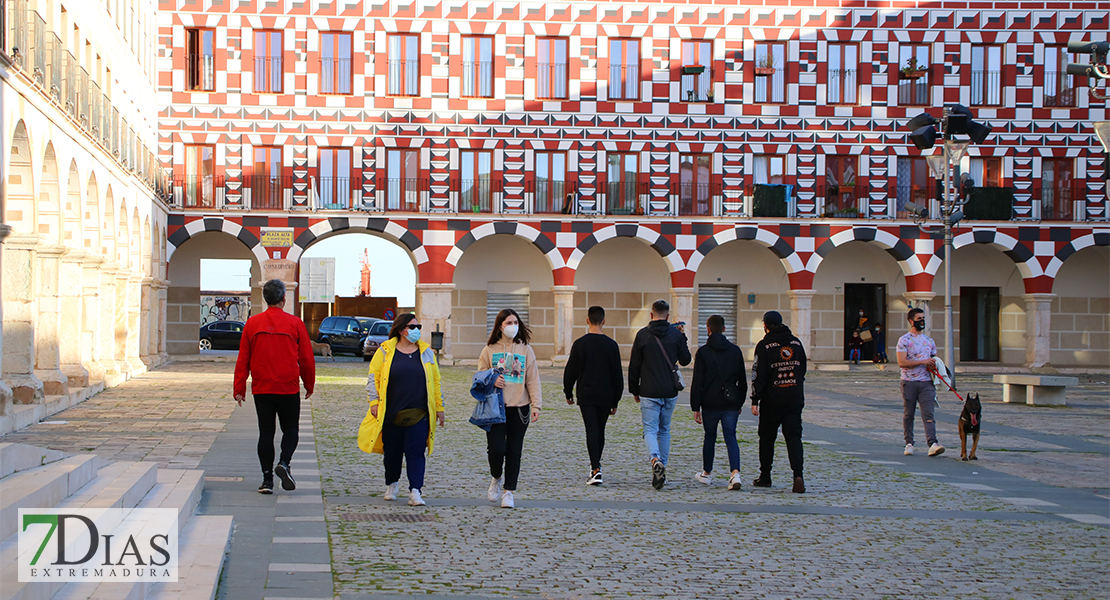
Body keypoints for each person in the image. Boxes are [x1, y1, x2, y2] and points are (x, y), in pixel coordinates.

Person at [233, 279, 315, 495]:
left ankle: (267, 480)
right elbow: (306, 358)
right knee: (291, 429)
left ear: (265, 298)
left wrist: (239, 387)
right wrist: (309, 383)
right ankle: (284, 463)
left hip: (262, 387)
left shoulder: (252, 323)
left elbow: (243, 358)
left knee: (266, 432)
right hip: (288, 386)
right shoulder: (295, 323)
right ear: (284, 299)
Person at [363, 313, 446, 507]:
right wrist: (374, 403)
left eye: (418, 327)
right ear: (401, 330)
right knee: (392, 452)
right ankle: (392, 484)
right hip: (391, 412)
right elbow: (373, 378)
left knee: (416, 452)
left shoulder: (426, 353)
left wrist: (439, 407)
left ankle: (415, 491)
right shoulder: (385, 351)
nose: (416, 331)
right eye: (412, 327)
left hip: (419, 413)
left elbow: (435, 381)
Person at [478, 309, 542, 508]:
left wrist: (536, 404)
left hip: (519, 408)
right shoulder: (488, 350)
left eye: (516, 322)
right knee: (496, 449)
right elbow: (479, 376)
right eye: (508, 322)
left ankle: (509, 491)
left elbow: (533, 379)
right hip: (496, 408)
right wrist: (492, 378)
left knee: (514, 450)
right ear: (500, 326)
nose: (513, 325)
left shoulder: (526, 350)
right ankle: (496, 477)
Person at [628, 299, 691, 490]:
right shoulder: (675, 334)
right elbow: (686, 360)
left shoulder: (643, 335)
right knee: (664, 430)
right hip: (669, 390)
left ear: (651, 314)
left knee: (649, 429)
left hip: (648, 390)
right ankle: (662, 464)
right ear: (668, 315)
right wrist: (683, 337)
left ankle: (655, 459)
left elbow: (635, 365)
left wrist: (634, 389)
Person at [563, 306, 624, 486]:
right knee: (600, 429)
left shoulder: (580, 344)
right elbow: (617, 375)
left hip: (587, 393)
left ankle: (595, 468)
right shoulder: (612, 345)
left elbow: (570, 371)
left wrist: (568, 392)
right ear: (604, 321)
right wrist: (616, 400)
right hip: (606, 394)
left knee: (591, 429)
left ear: (587, 320)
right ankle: (596, 465)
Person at [750, 310, 807, 494]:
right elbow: (803, 369)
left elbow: (758, 375)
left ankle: (765, 476)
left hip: (772, 400)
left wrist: (755, 399)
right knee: (794, 438)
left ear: (765, 325)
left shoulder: (765, 346)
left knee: (767, 438)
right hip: (794, 398)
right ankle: (798, 475)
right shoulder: (796, 343)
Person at [690, 315, 747, 491]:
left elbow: (697, 381)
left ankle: (707, 473)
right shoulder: (735, 351)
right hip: (730, 402)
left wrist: (695, 406)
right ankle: (735, 473)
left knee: (710, 437)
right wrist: (740, 402)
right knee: (731, 437)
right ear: (724, 329)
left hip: (710, 402)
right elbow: (742, 381)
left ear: (708, 330)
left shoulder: (703, 352)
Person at [897, 308, 945, 457]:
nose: (922, 321)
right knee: (909, 413)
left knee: (928, 413)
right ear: (911, 321)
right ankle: (909, 443)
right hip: (909, 382)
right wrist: (923, 361)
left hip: (926, 382)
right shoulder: (904, 340)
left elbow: (934, 359)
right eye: (919, 318)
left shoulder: (929, 341)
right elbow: (902, 362)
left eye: (923, 318)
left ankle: (932, 443)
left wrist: (934, 365)